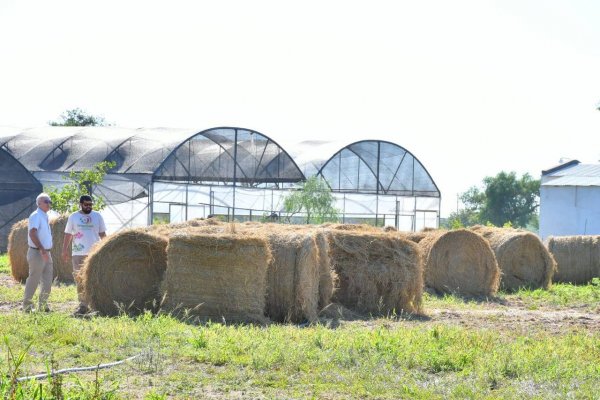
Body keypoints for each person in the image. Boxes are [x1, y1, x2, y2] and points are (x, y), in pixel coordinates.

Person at [62, 195, 107, 316]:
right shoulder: (74, 217)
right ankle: (83, 306)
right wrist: (64, 250)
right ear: (80, 204)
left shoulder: (97, 216)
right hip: (78, 253)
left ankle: (95, 305)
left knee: (93, 279)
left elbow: (102, 234)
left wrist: (107, 247)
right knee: (79, 279)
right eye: (86, 204)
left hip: (94, 253)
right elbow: (68, 234)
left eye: (90, 204)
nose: (89, 207)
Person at [23, 193, 54, 312]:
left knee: (47, 279)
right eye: (46, 201)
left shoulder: (44, 216)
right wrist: (42, 249)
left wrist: (45, 251)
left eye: (49, 201)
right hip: (37, 252)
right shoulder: (36, 215)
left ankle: (43, 305)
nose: (49, 203)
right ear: (39, 203)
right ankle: (27, 306)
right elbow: (32, 233)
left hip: (46, 252)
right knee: (34, 279)